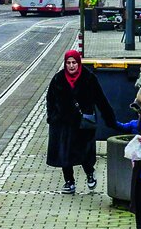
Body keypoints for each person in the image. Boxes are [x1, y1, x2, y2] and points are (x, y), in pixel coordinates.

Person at [45, 49, 113, 194]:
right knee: (65, 153)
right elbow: (50, 99)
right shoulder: (58, 79)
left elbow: (101, 100)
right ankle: (69, 181)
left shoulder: (89, 78)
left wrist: (110, 119)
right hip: (63, 123)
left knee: (84, 151)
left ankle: (90, 173)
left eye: (74, 62)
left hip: (83, 123)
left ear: (78, 63)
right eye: (68, 63)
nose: (71, 66)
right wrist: (52, 117)